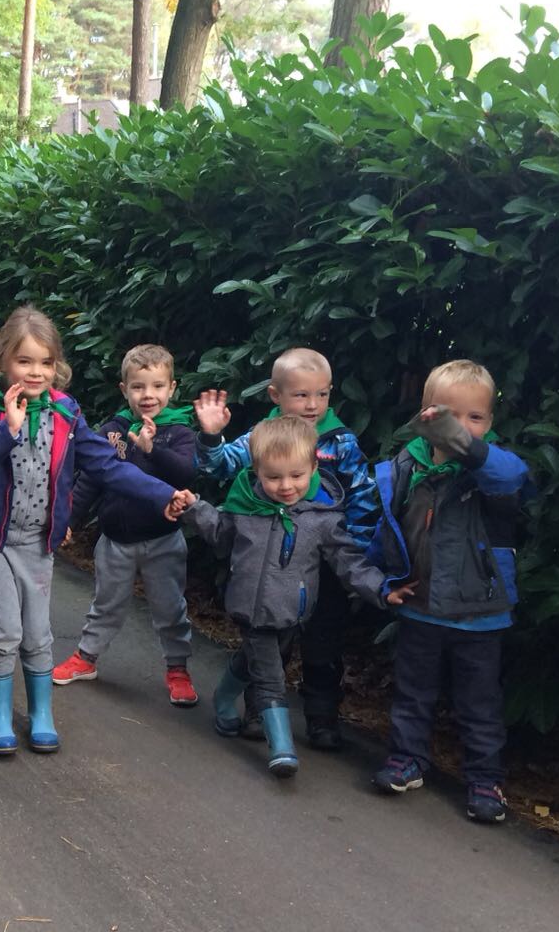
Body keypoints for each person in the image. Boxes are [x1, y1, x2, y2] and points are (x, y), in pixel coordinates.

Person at [0, 307, 188, 757]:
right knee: (3, 631)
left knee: (38, 632)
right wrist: (8, 429)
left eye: (45, 362)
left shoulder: (66, 411)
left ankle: (41, 714)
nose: (36, 371)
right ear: (5, 361)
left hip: (38, 544)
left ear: (55, 364)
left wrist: (163, 493)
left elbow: (106, 465)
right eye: (25, 361)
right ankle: (1, 716)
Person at [185, 416, 410, 778]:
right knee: (271, 674)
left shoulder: (321, 517)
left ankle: (224, 698)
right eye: (273, 477)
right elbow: (222, 535)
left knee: (251, 662)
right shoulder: (244, 506)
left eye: (296, 476)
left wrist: (382, 589)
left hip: (294, 610)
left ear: (313, 468)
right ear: (256, 470)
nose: (286, 486)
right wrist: (196, 509)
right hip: (250, 607)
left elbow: (348, 560)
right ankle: (282, 747)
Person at [366, 360, 533, 824]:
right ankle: (407, 758)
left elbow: (512, 481)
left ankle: (485, 778)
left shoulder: (493, 469)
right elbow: (382, 528)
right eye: (449, 415)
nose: (463, 426)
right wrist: (378, 582)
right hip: (419, 606)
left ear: (489, 423)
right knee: (412, 693)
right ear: (425, 415)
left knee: (479, 704)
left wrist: (463, 445)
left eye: (475, 418)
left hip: (481, 614)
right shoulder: (403, 466)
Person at [194, 346, 381, 749]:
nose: (312, 405)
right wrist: (211, 436)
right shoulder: (265, 435)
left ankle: (322, 718)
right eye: (301, 395)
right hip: (270, 561)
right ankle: (259, 713)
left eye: (322, 394)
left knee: (323, 642)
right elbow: (219, 466)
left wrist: (358, 555)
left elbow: (363, 497)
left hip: (325, 559)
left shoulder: (340, 442)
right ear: (276, 396)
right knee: (271, 640)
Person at [53, 344, 201, 707]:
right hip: (115, 540)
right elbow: (91, 478)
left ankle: (178, 668)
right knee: (106, 603)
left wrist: (153, 451)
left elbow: (187, 474)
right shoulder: (113, 430)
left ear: (172, 388)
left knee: (170, 608)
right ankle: (86, 658)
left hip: (163, 540)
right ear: (124, 389)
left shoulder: (180, 432)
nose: (148, 395)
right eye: (138, 387)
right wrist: (68, 518)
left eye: (157, 386)